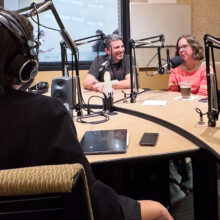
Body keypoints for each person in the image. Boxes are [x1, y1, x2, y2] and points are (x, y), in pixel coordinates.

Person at [0, 9, 173, 220]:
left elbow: (128, 83)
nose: (120, 50)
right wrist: (101, 85)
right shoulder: (47, 113)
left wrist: (103, 84)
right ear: (22, 63)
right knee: (159, 210)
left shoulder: (127, 60)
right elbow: (86, 196)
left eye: (121, 46)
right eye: (116, 47)